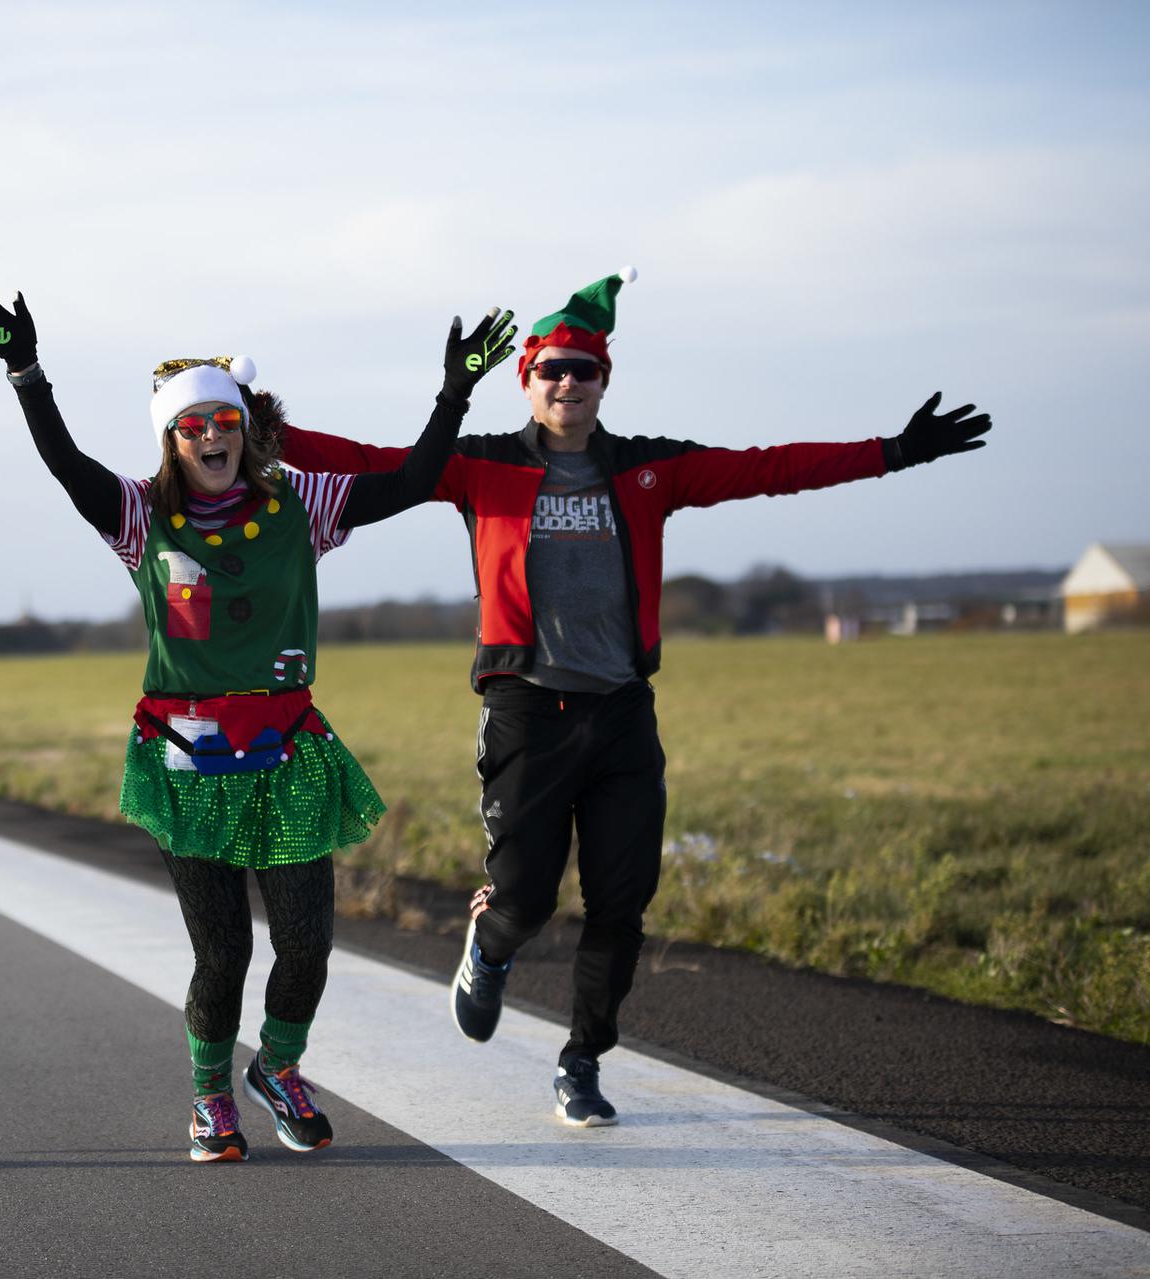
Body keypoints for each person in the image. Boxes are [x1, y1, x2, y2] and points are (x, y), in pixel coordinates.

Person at [277, 268, 993, 1127]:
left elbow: (767, 470)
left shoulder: (648, 470)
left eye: (584, 368)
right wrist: (257, 424)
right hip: (528, 714)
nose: (568, 381)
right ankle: (492, 942)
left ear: (604, 380)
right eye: (552, 369)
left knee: (622, 904)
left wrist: (894, 450)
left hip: (621, 715)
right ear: (528, 381)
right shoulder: (482, 467)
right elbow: (369, 462)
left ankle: (582, 1061)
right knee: (527, 901)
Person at [0, 285, 516, 1161]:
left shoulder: (304, 503)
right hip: (188, 762)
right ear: (171, 439)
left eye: (226, 421)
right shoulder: (143, 515)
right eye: (193, 426)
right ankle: (210, 1095)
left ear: (246, 428)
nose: (212, 437)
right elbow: (69, 469)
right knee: (222, 954)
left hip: (288, 752)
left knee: (307, 945)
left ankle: (278, 1067)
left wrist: (455, 394)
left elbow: (410, 481)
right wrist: (27, 373)